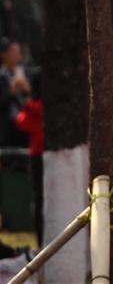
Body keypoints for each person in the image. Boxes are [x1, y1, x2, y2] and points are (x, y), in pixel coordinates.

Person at [15, 69, 43, 245]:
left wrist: (22, 95)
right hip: (40, 156)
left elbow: (21, 121)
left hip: (37, 156)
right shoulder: (38, 108)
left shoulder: (33, 108)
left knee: (38, 200)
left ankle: (40, 238)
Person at [0, 39, 31, 147]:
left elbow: (33, 99)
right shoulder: (2, 76)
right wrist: (11, 90)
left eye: (18, 52)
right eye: (13, 52)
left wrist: (26, 88)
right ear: (4, 55)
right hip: (6, 128)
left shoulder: (26, 73)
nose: (16, 55)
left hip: (25, 127)